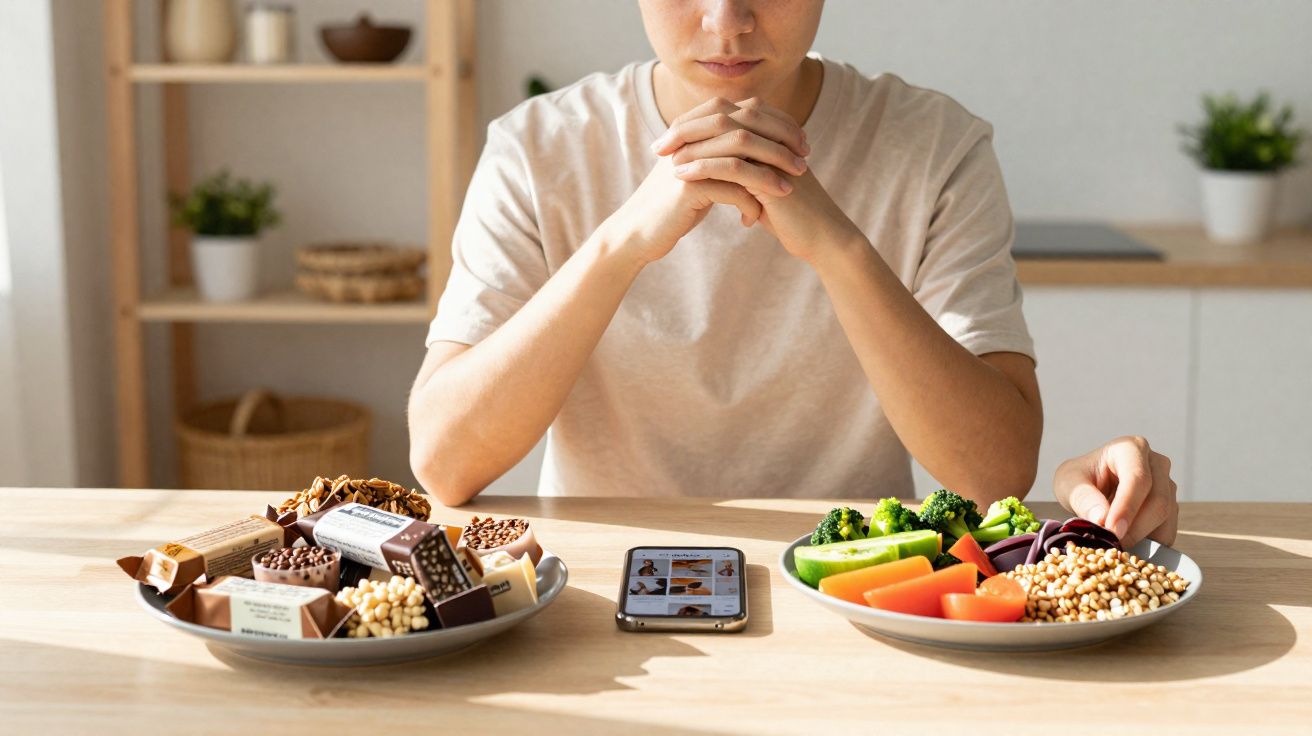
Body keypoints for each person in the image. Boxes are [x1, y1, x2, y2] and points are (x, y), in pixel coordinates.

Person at [408, 0, 1179, 547]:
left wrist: (838, 247)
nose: (727, 20)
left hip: (862, 581)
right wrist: (623, 244)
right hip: (601, 576)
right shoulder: (536, 148)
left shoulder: (938, 148)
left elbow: (995, 473)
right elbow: (443, 462)